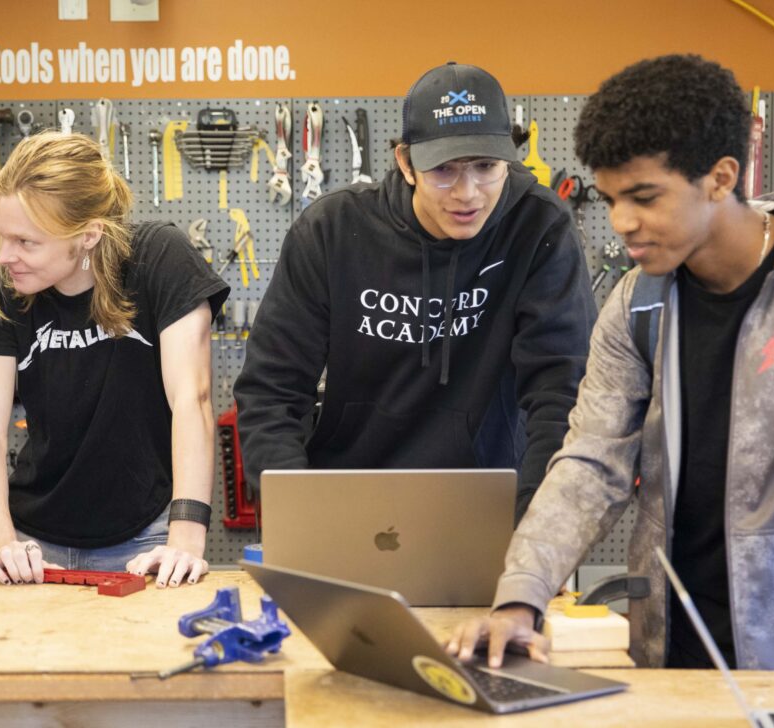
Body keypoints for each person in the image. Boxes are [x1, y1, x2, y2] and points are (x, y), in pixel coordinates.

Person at [449, 54, 774, 706]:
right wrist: (520, 598)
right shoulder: (636, 304)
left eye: (644, 196)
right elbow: (591, 462)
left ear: (720, 177)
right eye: (611, 198)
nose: (622, 221)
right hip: (669, 660)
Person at [234, 62, 597, 521]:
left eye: (486, 167)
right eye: (444, 169)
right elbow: (273, 391)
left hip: (489, 508)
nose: (468, 193)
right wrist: (299, 518)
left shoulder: (539, 226)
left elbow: (561, 390)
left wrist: (540, 530)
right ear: (406, 163)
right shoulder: (330, 230)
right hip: (345, 504)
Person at [0, 132, 228, 589]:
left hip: (145, 536)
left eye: (26, 242)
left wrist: (186, 537)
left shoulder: (159, 259)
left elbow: (193, 399)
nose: (6, 257)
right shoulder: (1, 288)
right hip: (32, 538)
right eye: (1, 238)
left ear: (88, 234)